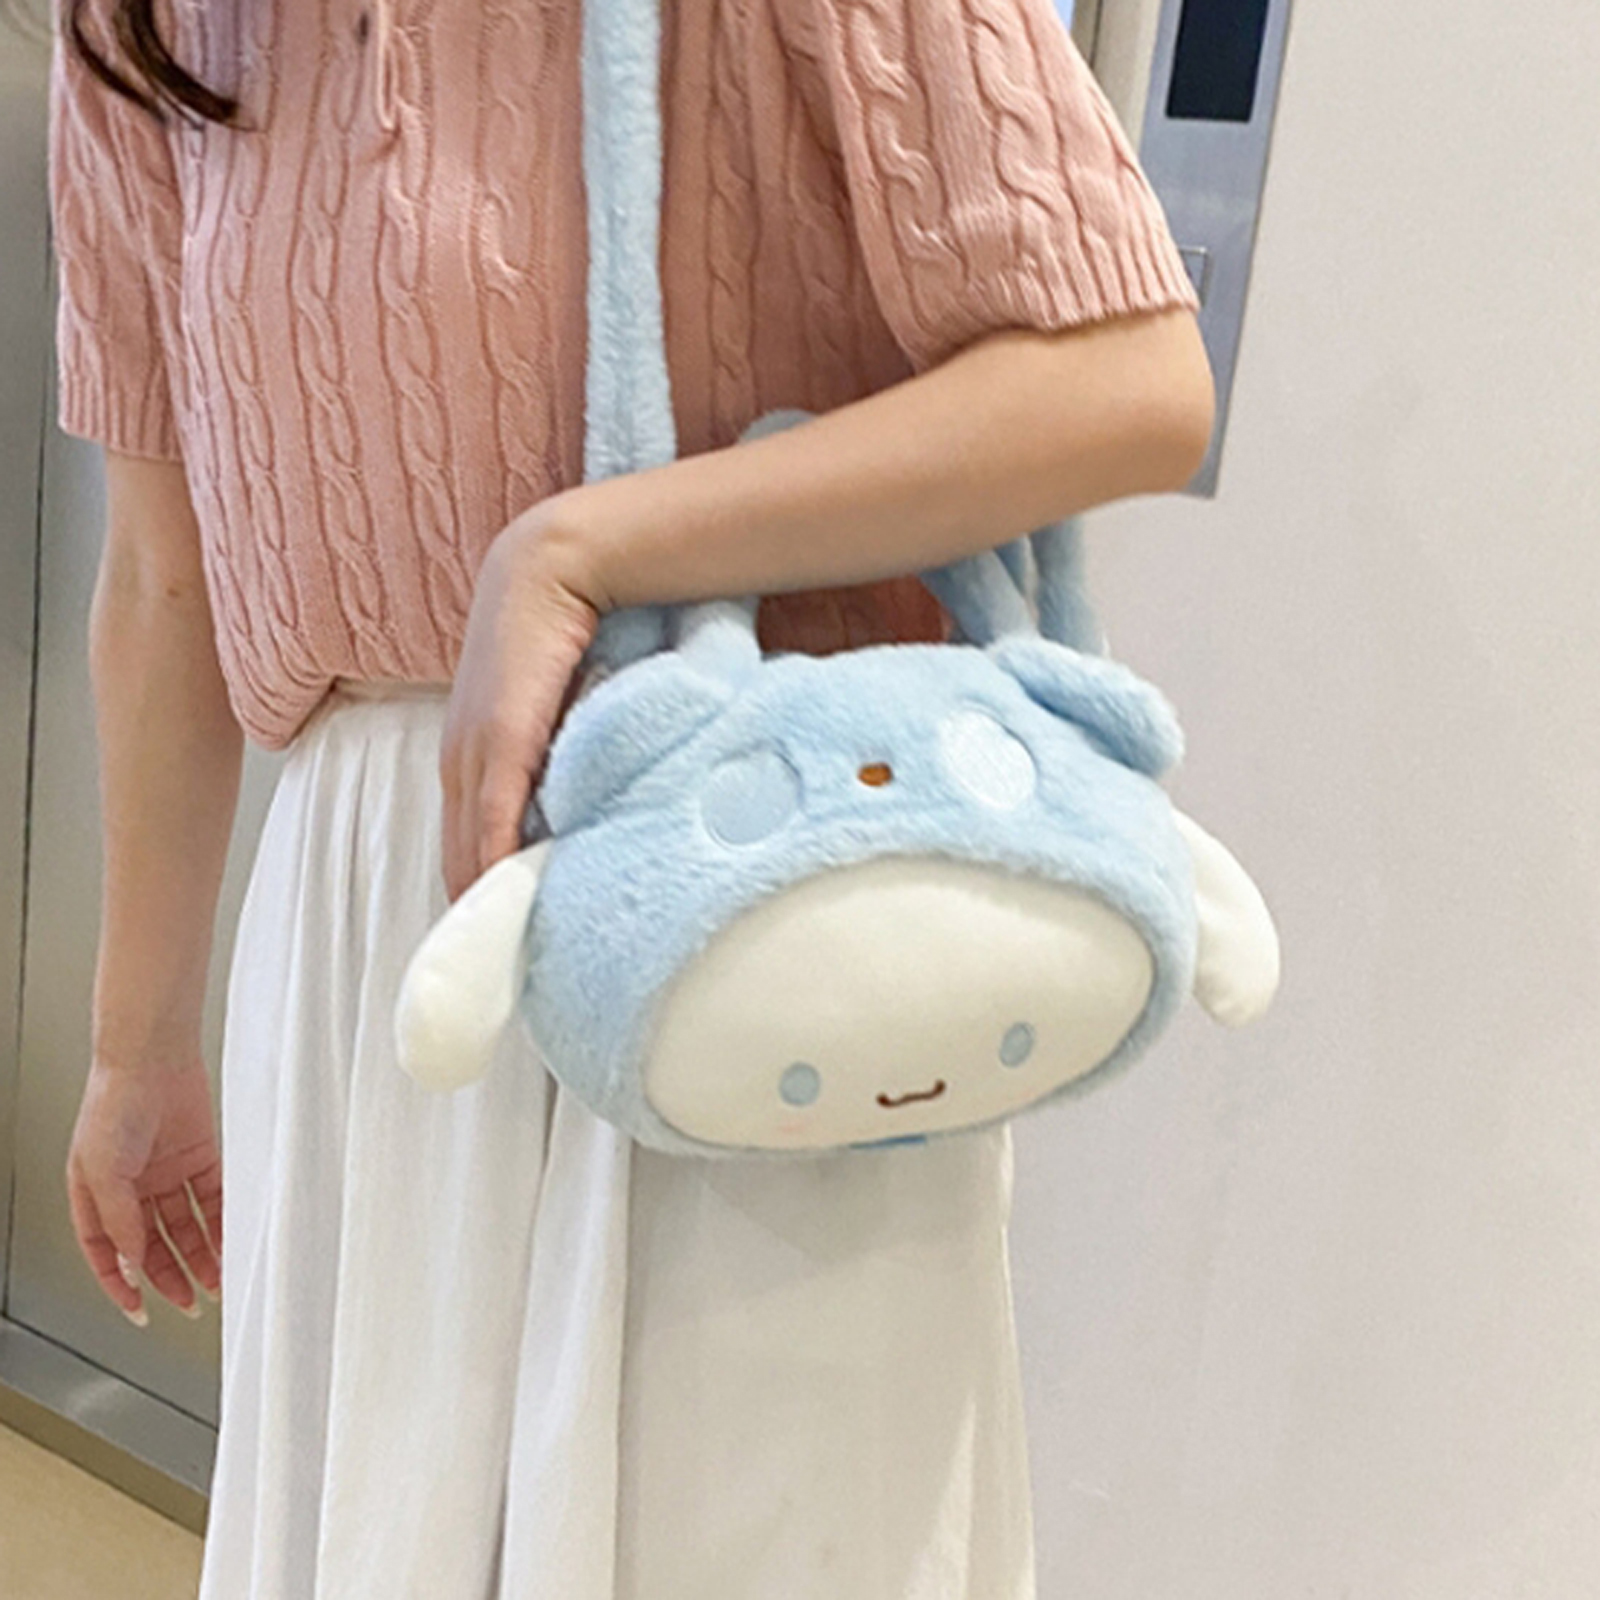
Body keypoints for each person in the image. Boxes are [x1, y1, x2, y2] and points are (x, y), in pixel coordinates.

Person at [49, 0, 1211, 1592]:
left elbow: (1129, 379)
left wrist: (588, 550)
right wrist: (137, 1046)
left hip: (755, 884)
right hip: (375, 925)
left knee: (748, 1530)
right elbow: (160, 571)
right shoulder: (151, 27)